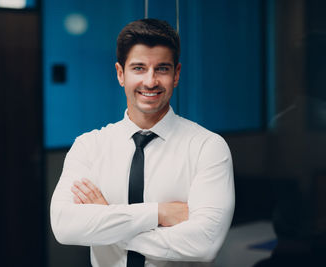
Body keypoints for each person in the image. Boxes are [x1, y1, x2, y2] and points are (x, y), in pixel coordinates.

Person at [50, 18, 235, 267]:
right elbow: (65, 228)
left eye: (162, 68)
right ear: (120, 74)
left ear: (176, 74)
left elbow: (204, 244)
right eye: (138, 68)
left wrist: (107, 219)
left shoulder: (207, 147)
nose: (150, 81)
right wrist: (159, 213)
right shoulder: (89, 146)